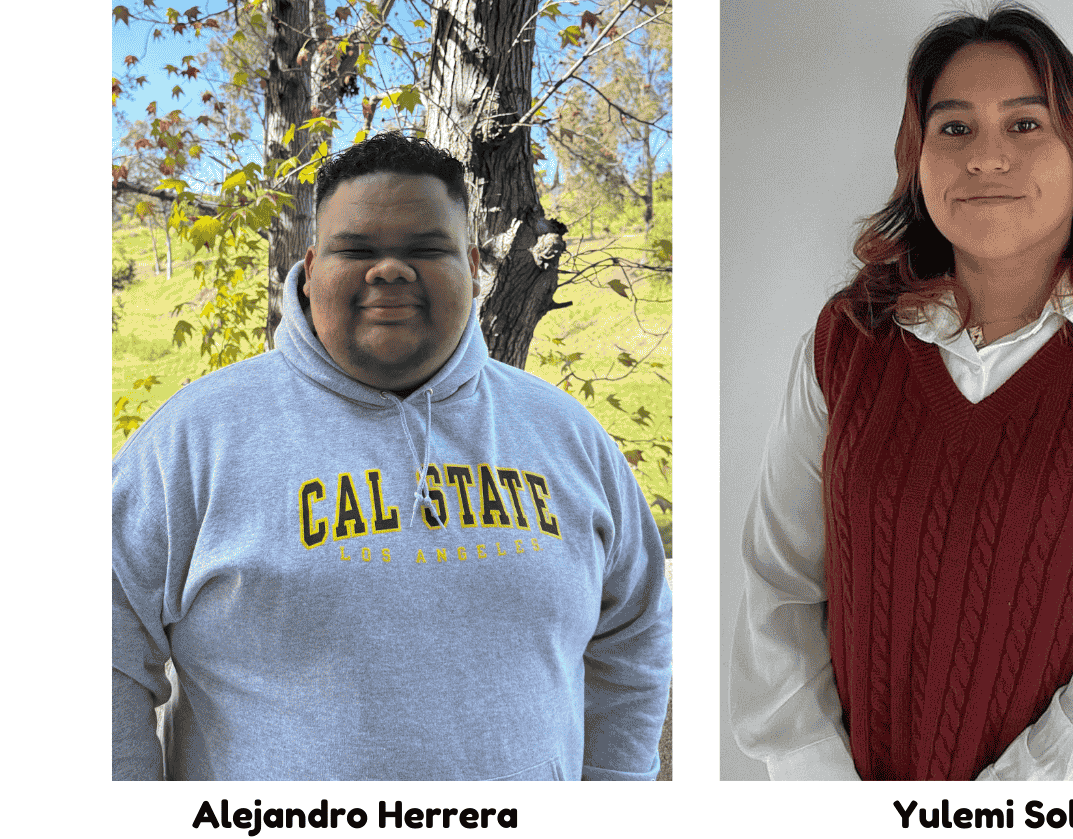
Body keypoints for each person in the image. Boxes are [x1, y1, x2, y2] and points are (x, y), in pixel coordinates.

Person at [731, 3, 1073, 781]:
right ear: (918, 158)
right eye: (955, 128)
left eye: (1026, 125)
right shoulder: (848, 344)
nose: (986, 157)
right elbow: (782, 589)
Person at [112, 132, 671, 781]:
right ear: (313, 264)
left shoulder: (567, 437)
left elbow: (635, 642)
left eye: (425, 248)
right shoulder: (194, 439)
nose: (390, 270)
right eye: (357, 248)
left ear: (475, 266)